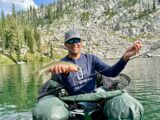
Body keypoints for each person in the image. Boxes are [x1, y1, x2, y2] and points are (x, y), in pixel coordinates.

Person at [33, 28, 143, 120]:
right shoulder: (61, 64)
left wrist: (125, 57)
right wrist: (65, 74)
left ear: (81, 43)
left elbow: (112, 72)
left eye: (77, 40)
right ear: (65, 45)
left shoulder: (92, 59)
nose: (74, 43)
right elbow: (63, 84)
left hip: (95, 100)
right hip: (74, 103)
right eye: (70, 41)